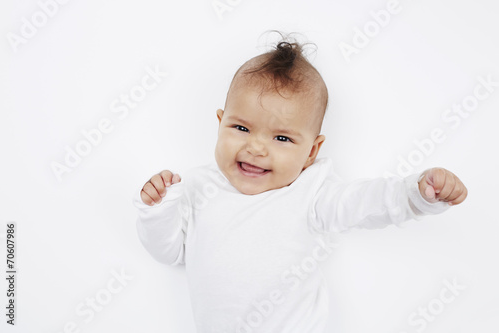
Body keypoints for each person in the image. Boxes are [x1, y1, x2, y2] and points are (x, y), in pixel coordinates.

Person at [133, 33, 467, 333]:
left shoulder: (311, 191)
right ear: (221, 123)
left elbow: (366, 201)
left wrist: (416, 193)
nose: (256, 148)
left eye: (281, 137)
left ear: (311, 151)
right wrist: (159, 210)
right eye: (241, 129)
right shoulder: (197, 187)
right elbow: (172, 253)